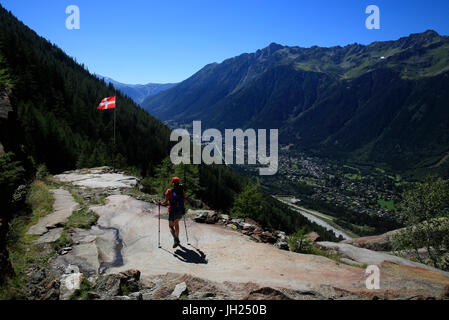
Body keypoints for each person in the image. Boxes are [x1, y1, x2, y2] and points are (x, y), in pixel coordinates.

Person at [160, 177, 186, 248]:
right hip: (180, 210)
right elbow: (184, 201)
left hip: (172, 210)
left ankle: (175, 239)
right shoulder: (182, 191)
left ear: (173, 183)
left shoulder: (169, 191)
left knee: (171, 226)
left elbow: (165, 202)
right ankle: (177, 238)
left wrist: (160, 203)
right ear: (178, 182)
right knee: (176, 224)